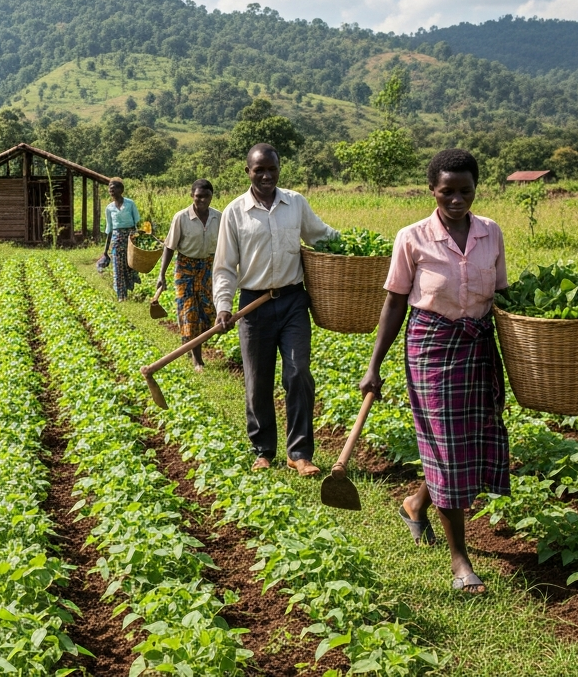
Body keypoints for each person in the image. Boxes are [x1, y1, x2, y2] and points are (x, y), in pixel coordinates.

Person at [359, 148, 509, 595]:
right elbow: (394, 302)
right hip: (431, 346)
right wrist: (374, 366)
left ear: (475, 189)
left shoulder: (492, 233)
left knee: (466, 443)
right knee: (446, 446)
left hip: (478, 345)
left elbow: (502, 297)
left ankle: (414, 504)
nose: (457, 199)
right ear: (432, 190)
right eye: (448, 191)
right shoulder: (412, 237)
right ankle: (460, 560)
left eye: (465, 190)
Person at [213, 143, 338, 477]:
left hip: (292, 300)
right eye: (259, 170)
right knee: (257, 380)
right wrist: (223, 306)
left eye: (272, 169)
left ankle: (299, 453)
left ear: (279, 169)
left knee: (298, 373)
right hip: (253, 305)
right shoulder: (235, 212)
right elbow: (225, 266)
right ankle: (263, 449)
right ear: (247, 171)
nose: (266, 176)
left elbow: (321, 236)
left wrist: (355, 248)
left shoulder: (294, 203)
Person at [156, 179, 222, 372]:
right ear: (191, 196)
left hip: (208, 267)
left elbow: (226, 245)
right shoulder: (182, 217)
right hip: (185, 267)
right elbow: (169, 247)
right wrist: (162, 275)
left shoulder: (218, 217)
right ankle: (197, 359)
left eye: (206, 196)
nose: (201, 200)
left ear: (211, 197)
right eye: (198, 196)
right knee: (189, 312)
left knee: (208, 311)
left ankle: (190, 344)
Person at [98, 177, 142, 301]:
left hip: (130, 238)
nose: (111, 190)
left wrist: (139, 241)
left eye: (114, 188)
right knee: (118, 267)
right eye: (109, 188)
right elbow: (110, 229)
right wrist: (105, 251)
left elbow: (137, 224)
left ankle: (129, 289)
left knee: (130, 266)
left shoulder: (130, 203)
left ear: (121, 190)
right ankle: (121, 296)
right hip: (117, 240)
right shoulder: (109, 208)